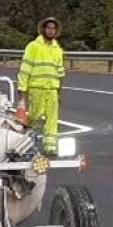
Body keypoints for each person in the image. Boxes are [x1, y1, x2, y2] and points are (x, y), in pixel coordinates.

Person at [19, 16, 65, 149]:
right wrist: (22, 88)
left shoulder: (58, 50)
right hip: (36, 88)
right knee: (34, 115)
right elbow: (25, 68)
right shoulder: (33, 46)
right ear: (43, 29)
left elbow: (60, 72)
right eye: (48, 28)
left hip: (52, 90)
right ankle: (22, 135)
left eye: (53, 29)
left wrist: (59, 92)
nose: (51, 31)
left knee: (52, 118)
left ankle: (50, 146)